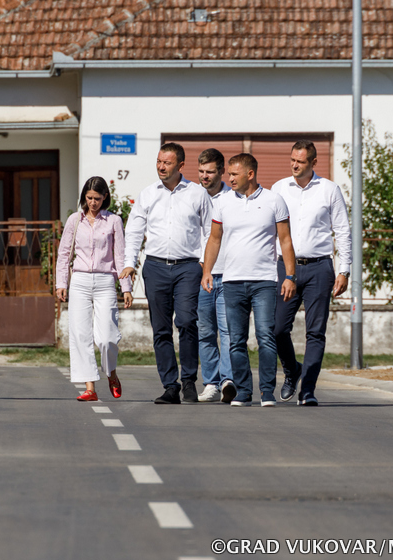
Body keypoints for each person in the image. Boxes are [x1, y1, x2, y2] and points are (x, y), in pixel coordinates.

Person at [202, 153, 296, 407]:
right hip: (232, 281)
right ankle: (243, 392)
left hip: (264, 281)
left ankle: (267, 392)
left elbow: (285, 240)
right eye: (229, 174)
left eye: (234, 174)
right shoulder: (222, 202)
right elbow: (214, 239)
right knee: (236, 340)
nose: (230, 178)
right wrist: (207, 271)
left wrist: (290, 276)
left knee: (266, 337)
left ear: (250, 174)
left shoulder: (274, 200)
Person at [121, 142, 212, 405]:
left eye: (167, 163)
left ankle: (189, 381)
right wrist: (130, 263)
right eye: (159, 161)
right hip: (155, 267)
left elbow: (210, 232)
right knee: (161, 329)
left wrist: (205, 265)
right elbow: (134, 231)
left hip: (188, 268)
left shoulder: (198, 194)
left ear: (181, 165)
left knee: (186, 321)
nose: (161, 167)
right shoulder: (148, 194)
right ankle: (170, 386)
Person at [271, 140, 352, 406]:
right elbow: (268, 230)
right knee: (277, 328)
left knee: (315, 332)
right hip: (286, 268)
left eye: (301, 161)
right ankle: (292, 370)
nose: (295, 165)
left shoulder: (329, 190)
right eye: (292, 160)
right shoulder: (279, 189)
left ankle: (308, 390)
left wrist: (344, 270)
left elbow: (342, 231)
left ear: (313, 162)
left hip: (319, 268)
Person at [56, 177, 134, 401]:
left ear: (105, 197)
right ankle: (89, 387)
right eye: (89, 198)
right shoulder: (75, 220)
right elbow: (64, 254)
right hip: (79, 281)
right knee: (80, 334)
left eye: (97, 199)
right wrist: (61, 283)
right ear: (84, 197)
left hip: (105, 281)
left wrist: (126, 288)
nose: (92, 203)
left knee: (107, 337)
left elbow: (120, 256)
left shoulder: (113, 221)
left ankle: (111, 373)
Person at [195, 148, 234, 403]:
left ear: (222, 171)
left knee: (228, 331)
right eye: (201, 171)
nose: (204, 176)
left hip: (228, 273)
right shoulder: (193, 196)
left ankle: (228, 380)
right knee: (206, 331)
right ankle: (211, 383)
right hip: (202, 275)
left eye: (210, 172)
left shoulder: (234, 198)